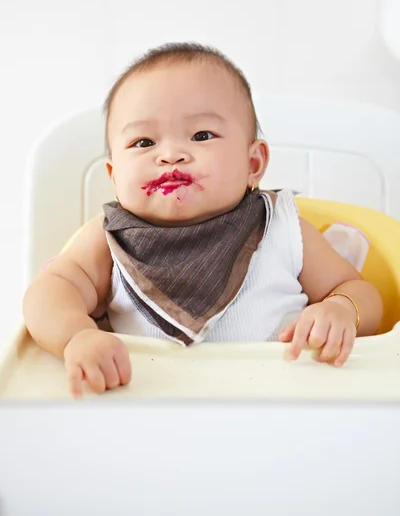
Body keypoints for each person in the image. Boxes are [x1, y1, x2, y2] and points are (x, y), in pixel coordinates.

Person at [22, 42, 383, 397]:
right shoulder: (109, 239)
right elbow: (50, 293)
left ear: (253, 164)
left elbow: (360, 291)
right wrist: (76, 336)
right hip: (149, 407)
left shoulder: (281, 228)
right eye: (144, 142)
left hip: (278, 406)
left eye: (201, 135)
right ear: (115, 176)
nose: (171, 155)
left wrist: (340, 310)